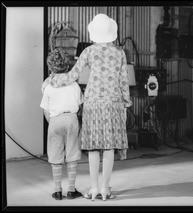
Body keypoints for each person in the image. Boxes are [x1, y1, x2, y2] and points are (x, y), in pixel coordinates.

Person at [42, 13, 132, 201]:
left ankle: (93, 189)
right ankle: (105, 190)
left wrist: (54, 80)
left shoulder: (88, 52)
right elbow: (124, 82)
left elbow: (73, 75)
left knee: (93, 147)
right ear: (111, 32)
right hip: (113, 103)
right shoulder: (120, 53)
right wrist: (126, 104)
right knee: (109, 147)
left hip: (92, 103)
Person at [40, 48, 84, 200]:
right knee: (72, 153)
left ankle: (57, 191)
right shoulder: (74, 85)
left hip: (54, 121)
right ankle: (71, 190)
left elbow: (46, 110)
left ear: (50, 66)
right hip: (71, 119)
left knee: (55, 155)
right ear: (68, 65)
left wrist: (52, 122)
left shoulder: (48, 86)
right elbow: (80, 106)